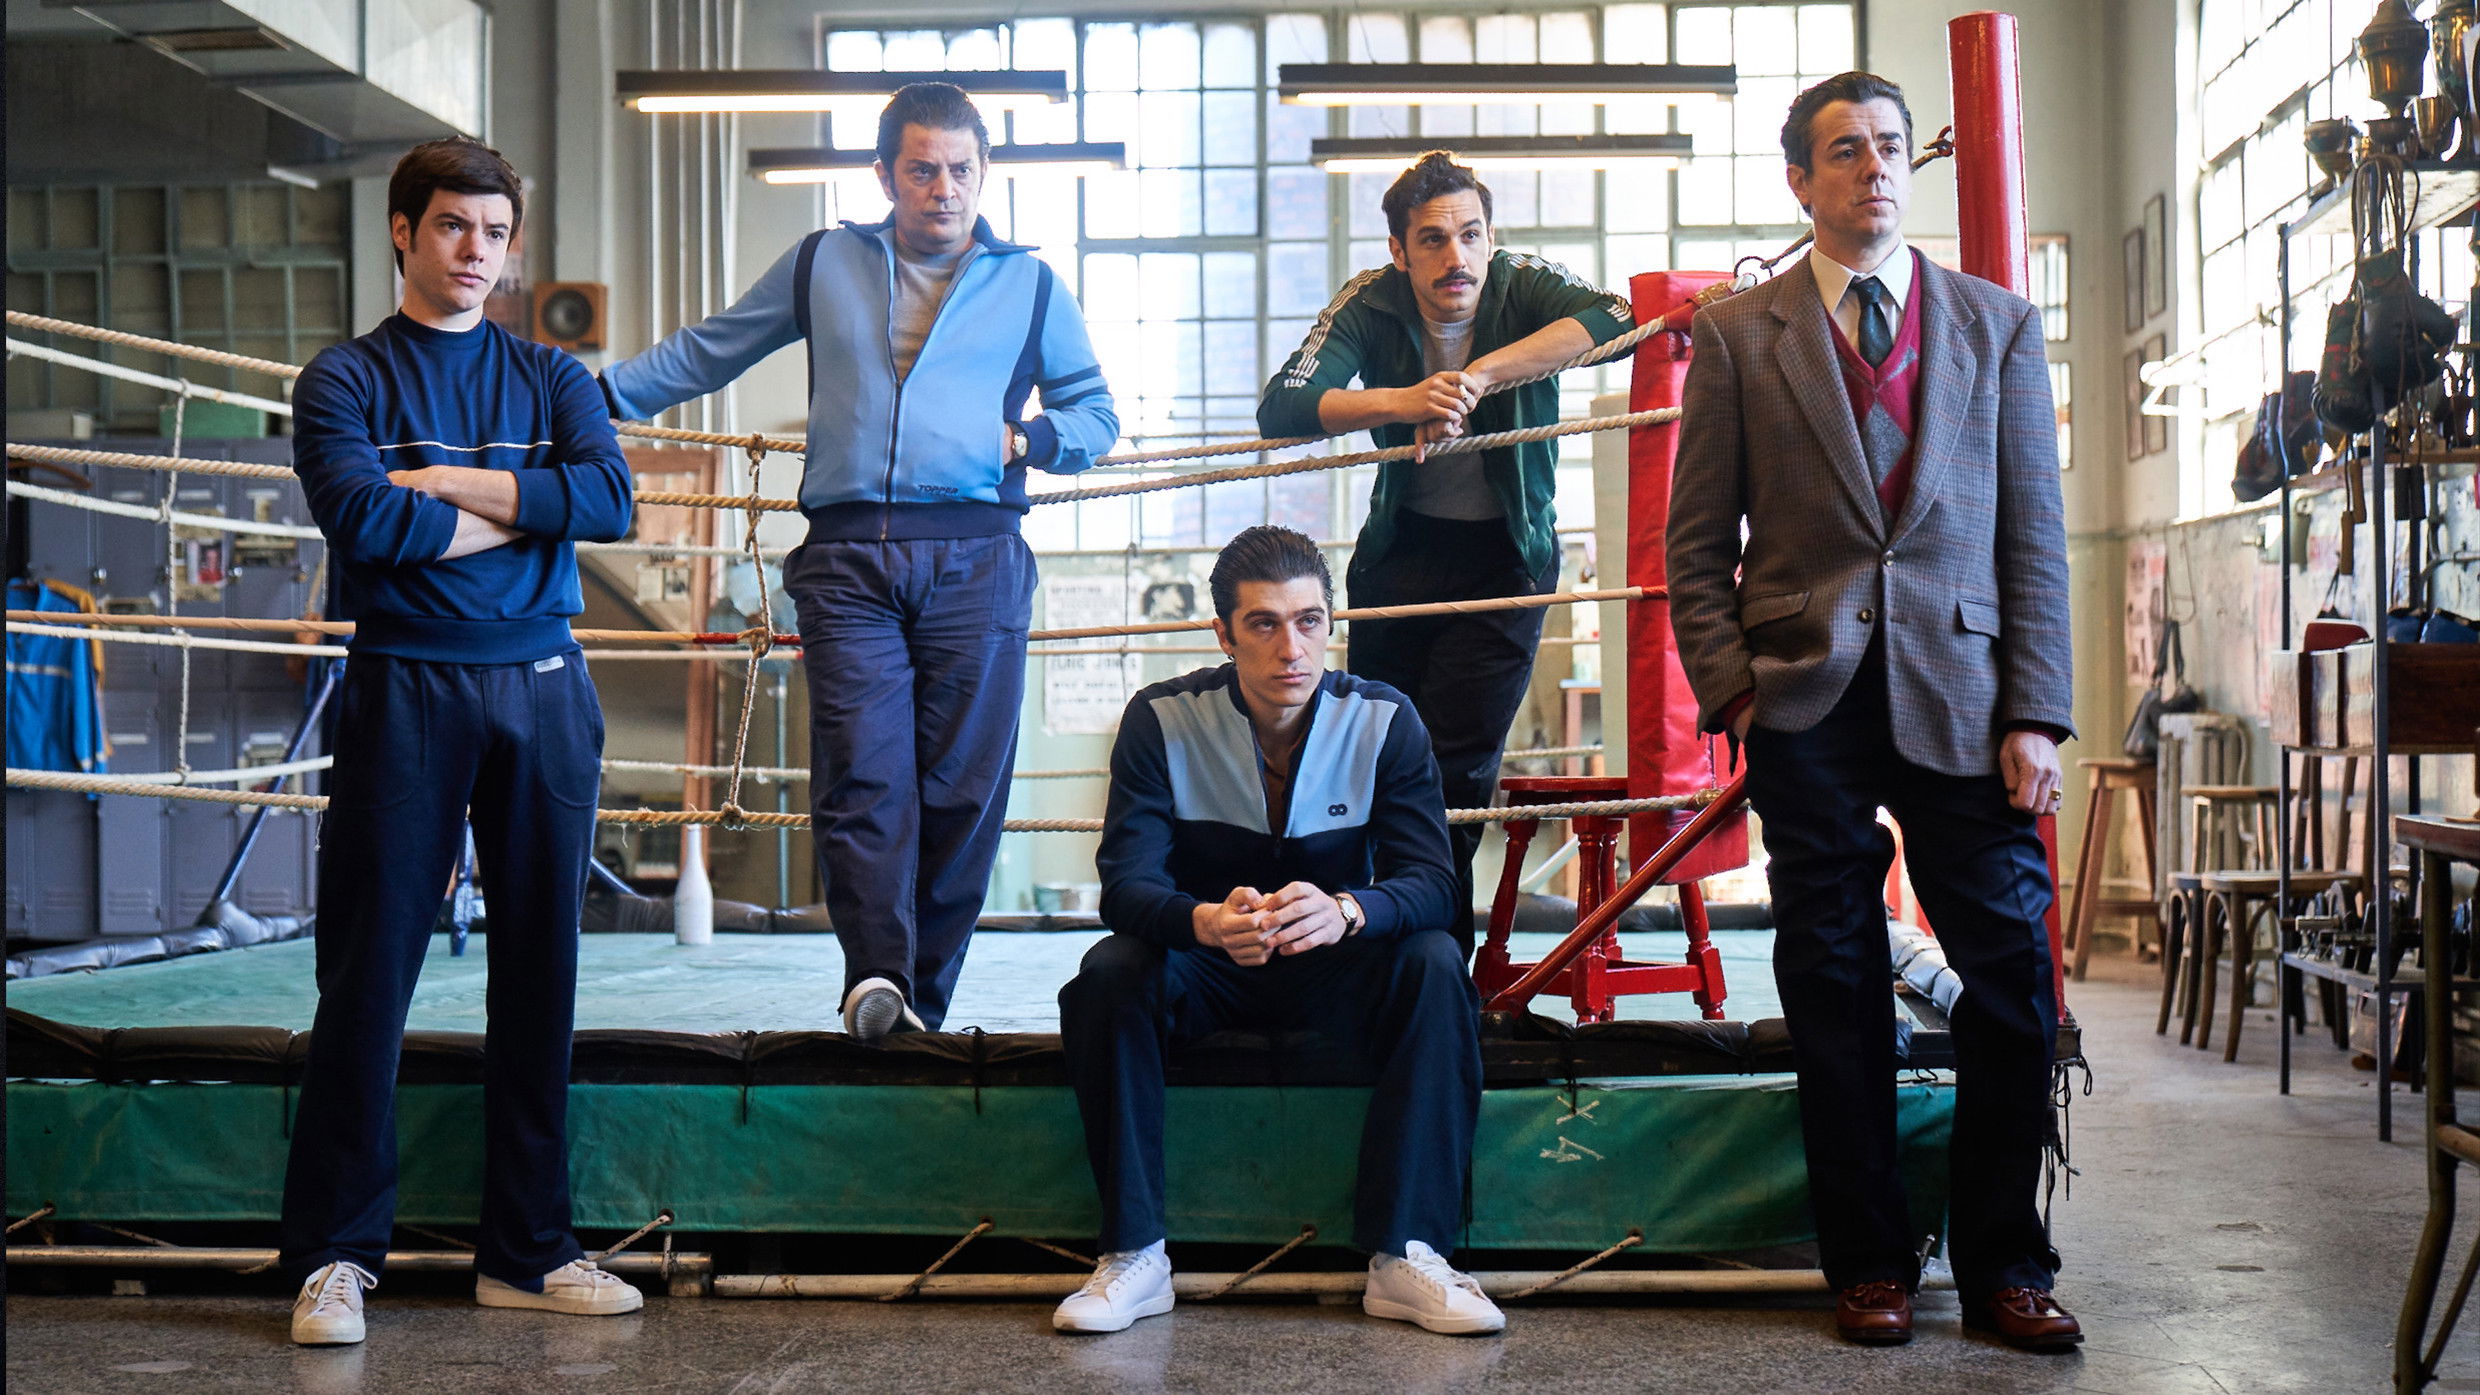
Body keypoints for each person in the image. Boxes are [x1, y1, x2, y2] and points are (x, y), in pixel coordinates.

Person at [1666, 72, 2080, 1350]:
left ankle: (2005, 1261)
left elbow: (2033, 536)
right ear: (1799, 179)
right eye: (1843, 150)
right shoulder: (1737, 336)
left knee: (2010, 980)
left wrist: (2036, 712)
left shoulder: (1996, 326)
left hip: (1968, 699)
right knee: (1834, 981)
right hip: (1807, 700)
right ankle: (1867, 1264)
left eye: (1890, 147)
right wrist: (1735, 692)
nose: (1874, 168)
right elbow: (1694, 544)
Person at [600, 82, 1118, 1040]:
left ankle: (922, 1000)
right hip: (846, 560)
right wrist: (593, 395)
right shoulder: (822, 262)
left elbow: (1097, 416)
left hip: (977, 557)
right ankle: (876, 975)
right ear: (884, 175)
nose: (943, 189)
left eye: (960, 170)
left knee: (962, 790)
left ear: (984, 174)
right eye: (921, 170)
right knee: (863, 775)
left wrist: (1027, 441)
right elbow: (711, 351)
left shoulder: (1031, 285)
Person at [281, 137, 640, 1346]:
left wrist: (446, 483)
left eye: (493, 233)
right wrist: (527, 513)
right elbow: (366, 526)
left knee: (541, 971)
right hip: (405, 683)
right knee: (368, 971)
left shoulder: (552, 375)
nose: (475, 251)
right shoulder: (344, 379)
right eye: (450, 226)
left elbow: (610, 501)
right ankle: (334, 1257)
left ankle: (526, 1254)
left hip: (543, 685)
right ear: (403, 231)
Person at [1051, 525, 1500, 1338]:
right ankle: (1133, 1253)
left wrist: (1347, 910)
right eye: (1263, 623)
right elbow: (1126, 886)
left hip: (1336, 964)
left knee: (1436, 963)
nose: (1291, 648)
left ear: (1331, 624)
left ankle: (1408, 1253)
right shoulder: (1161, 718)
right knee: (1109, 972)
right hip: (1210, 963)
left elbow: (1435, 884)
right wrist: (1202, 921)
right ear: (1223, 634)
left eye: (1309, 621)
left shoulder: (1384, 719)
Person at [1257, 151, 1636, 957]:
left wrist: (1477, 377)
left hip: (1508, 557)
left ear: (1491, 237)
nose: (1455, 256)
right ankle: (1371, 942)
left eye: (1470, 234)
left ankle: (1435, 958)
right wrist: (1406, 400)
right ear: (1399, 250)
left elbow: (1620, 318)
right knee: (1372, 755)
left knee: (1455, 771)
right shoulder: (1372, 298)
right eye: (1432, 239)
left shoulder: (1521, 283)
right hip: (1402, 554)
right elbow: (1283, 405)